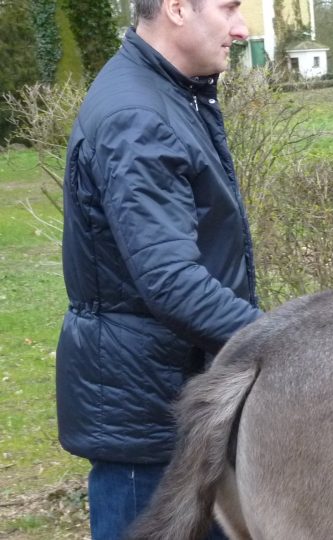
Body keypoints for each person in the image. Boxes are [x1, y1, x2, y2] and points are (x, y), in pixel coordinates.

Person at [55, 0, 261, 538]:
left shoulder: (167, 94)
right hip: (148, 414)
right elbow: (170, 279)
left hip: (172, 396)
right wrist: (279, 341)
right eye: (229, 8)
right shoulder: (138, 117)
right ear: (175, 8)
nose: (240, 29)